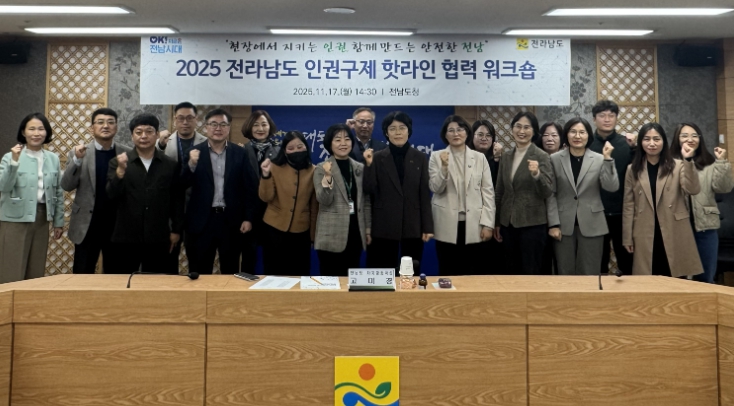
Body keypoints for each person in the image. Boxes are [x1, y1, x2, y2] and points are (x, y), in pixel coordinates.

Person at [106, 114, 185, 274]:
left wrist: (176, 230)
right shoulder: (118, 163)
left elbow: (177, 200)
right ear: (132, 136)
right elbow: (111, 195)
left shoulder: (170, 165)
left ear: (157, 135)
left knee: (159, 283)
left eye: (149, 131)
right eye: (139, 132)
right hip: (126, 237)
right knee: (124, 282)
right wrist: (120, 172)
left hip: (159, 236)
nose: (144, 136)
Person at [622, 122, 703, 278]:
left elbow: (693, 189)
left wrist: (688, 161)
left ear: (664, 142)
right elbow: (628, 205)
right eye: (647, 139)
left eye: (656, 139)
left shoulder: (678, 165)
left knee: (675, 276)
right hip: (644, 229)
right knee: (649, 276)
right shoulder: (632, 169)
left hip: (674, 227)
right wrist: (627, 237)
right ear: (641, 142)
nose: (652, 143)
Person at [182, 109, 254, 275]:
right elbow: (181, 185)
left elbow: (250, 188)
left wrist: (248, 218)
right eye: (213, 124)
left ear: (229, 128)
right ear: (206, 127)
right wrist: (191, 165)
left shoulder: (240, 153)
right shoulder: (193, 153)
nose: (218, 128)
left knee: (230, 271)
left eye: (223, 124)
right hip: (202, 222)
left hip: (231, 222)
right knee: (200, 272)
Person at [61, 107, 132, 274]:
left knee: (116, 274)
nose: (105, 126)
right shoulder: (79, 152)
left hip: (117, 224)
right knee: (82, 272)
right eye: (100, 122)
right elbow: (66, 185)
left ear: (116, 127)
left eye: (110, 122)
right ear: (91, 128)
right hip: (87, 223)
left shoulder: (128, 153)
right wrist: (77, 161)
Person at [363, 111, 434, 274]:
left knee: (411, 273)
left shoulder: (420, 157)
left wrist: (427, 227)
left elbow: (424, 194)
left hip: (412, 225)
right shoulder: (377, 158)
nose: (398, 132)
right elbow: (368, 189)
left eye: (402, 128)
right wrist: (368, 166)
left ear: (409, 131)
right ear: (386, 133)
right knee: (383, 273)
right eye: (392, 128)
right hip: (383, 225)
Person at [546, 117, 619, 275]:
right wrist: (553, 224)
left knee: (590, 271)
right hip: (563, 224)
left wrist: (608, 159)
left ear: (588, 135)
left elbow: (611, 187)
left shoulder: (599, 159)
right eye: (573, 132)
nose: (577, 136)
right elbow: (551, 194)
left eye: (582, 132)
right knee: (564, 271)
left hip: (593, 223)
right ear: (566, 135)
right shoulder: (555, 159)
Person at [0, 113, 64, 283]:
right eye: (32, 129)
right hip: (14, 219)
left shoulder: (53, 158)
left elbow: (58, 191)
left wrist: (58, 221)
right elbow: (4, 187)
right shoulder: (10, 157)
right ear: (23, 132)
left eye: (41, 129)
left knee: (36, 270)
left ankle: (29, 301)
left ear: (46, 132)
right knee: (11, 269)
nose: (36, 133)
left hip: (42, 218)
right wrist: (14, 163)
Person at [429, 115, 495, 275]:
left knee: (472, 272)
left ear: (467, 133)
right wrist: (444, 168)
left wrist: (488, 224)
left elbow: (488, 193)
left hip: (474, 224)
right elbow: (435, 188)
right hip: (446, 224)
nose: (456, 133)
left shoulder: (479, 158)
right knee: (447, 272)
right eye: (451, 130)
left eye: (460, 129)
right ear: (445, 135)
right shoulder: (436, 156)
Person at [670, 123, 734, 283]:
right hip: (677, 227)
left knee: (705, 277)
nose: (690, 139)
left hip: (706, 227)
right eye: (684, 136)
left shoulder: (709, 162)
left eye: (694, 136)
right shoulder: (669, 163)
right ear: (677, 139)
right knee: (679, 278)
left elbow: (724, 188)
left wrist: (721, 162)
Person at [493, 111, 553, 275]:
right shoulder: (506, 156)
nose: (522, 131)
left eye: (527, 127)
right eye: (518, 126)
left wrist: (537, 175)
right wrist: (497, 222)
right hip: (508, 224)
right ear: (512, 129)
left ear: (534, 131)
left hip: (532, 225)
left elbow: (547, 191)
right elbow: (500, 191)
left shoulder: (541, 156)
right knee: (510, 271)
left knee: (530, 272)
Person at [156, 102, 207, 274]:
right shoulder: (163, 142)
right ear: (174, 119)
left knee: (197, 262)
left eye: (189, 118)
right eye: (181, 118)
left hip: (197, 210)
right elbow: (153, 163)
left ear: (196, 119)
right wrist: (160, 145)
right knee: (168, 262)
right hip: (169, 211)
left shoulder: (206, 142)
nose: (185, 122)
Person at [313, 123, 371, 276]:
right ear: (330, 144)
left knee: (350, 282)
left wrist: (367, 230)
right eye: (338, 139)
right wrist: (328, 177)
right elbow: (324, 200)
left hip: (355, 234)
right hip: (331, 235)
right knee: (330, 282)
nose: (343, 143)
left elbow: (365, 202)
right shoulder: (321, 168)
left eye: (347, 139)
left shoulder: (359, 168)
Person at [259, 131, 318, 276]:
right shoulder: (274, 167)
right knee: (273, 274)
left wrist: (312, 236)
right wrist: (265, 175)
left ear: (306, 148)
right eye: (291, 148)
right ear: (284, 152)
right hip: (274, 229)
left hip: (301, 232)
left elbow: (314, 207)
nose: (296, 150)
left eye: (300, 146)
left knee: (299, 275)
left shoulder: (314, 171)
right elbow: (266, 197)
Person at [589, 100, 637, 275]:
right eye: (602, 115)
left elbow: (637, 174)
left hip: (622, 212)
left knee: (627, 262)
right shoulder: (587, 144)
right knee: (597, 262)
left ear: (617, 118)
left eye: (611, 115)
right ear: (594, 119)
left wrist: (634, 148)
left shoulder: (626, 144)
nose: (607, 119)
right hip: (596, 212)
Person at [240, 110, 280, 274]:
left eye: (264, 124)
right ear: (250, 127)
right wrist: (246, 216)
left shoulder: (279, 151)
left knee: (272, 258)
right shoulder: (242, 151)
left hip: (273, 212)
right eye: (256, 125)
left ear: (270, 127)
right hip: (248, 214)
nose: (260, 128)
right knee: (248, 258)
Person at [536, 121, 565, 274]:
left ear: (561, 138)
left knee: (563, 264)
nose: (549, 139)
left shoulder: (567, 159)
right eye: (546, 135)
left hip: (564, 219)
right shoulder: (535, 159)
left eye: (554, 135)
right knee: (543, 264)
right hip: (538, 220)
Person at [469, 119, 502, 185]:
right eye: (480, 134)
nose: (484, 138)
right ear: (472, 136)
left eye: (488, 135)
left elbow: (498, 184)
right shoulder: (465, 156)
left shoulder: (499, 159)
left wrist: (496, 159)